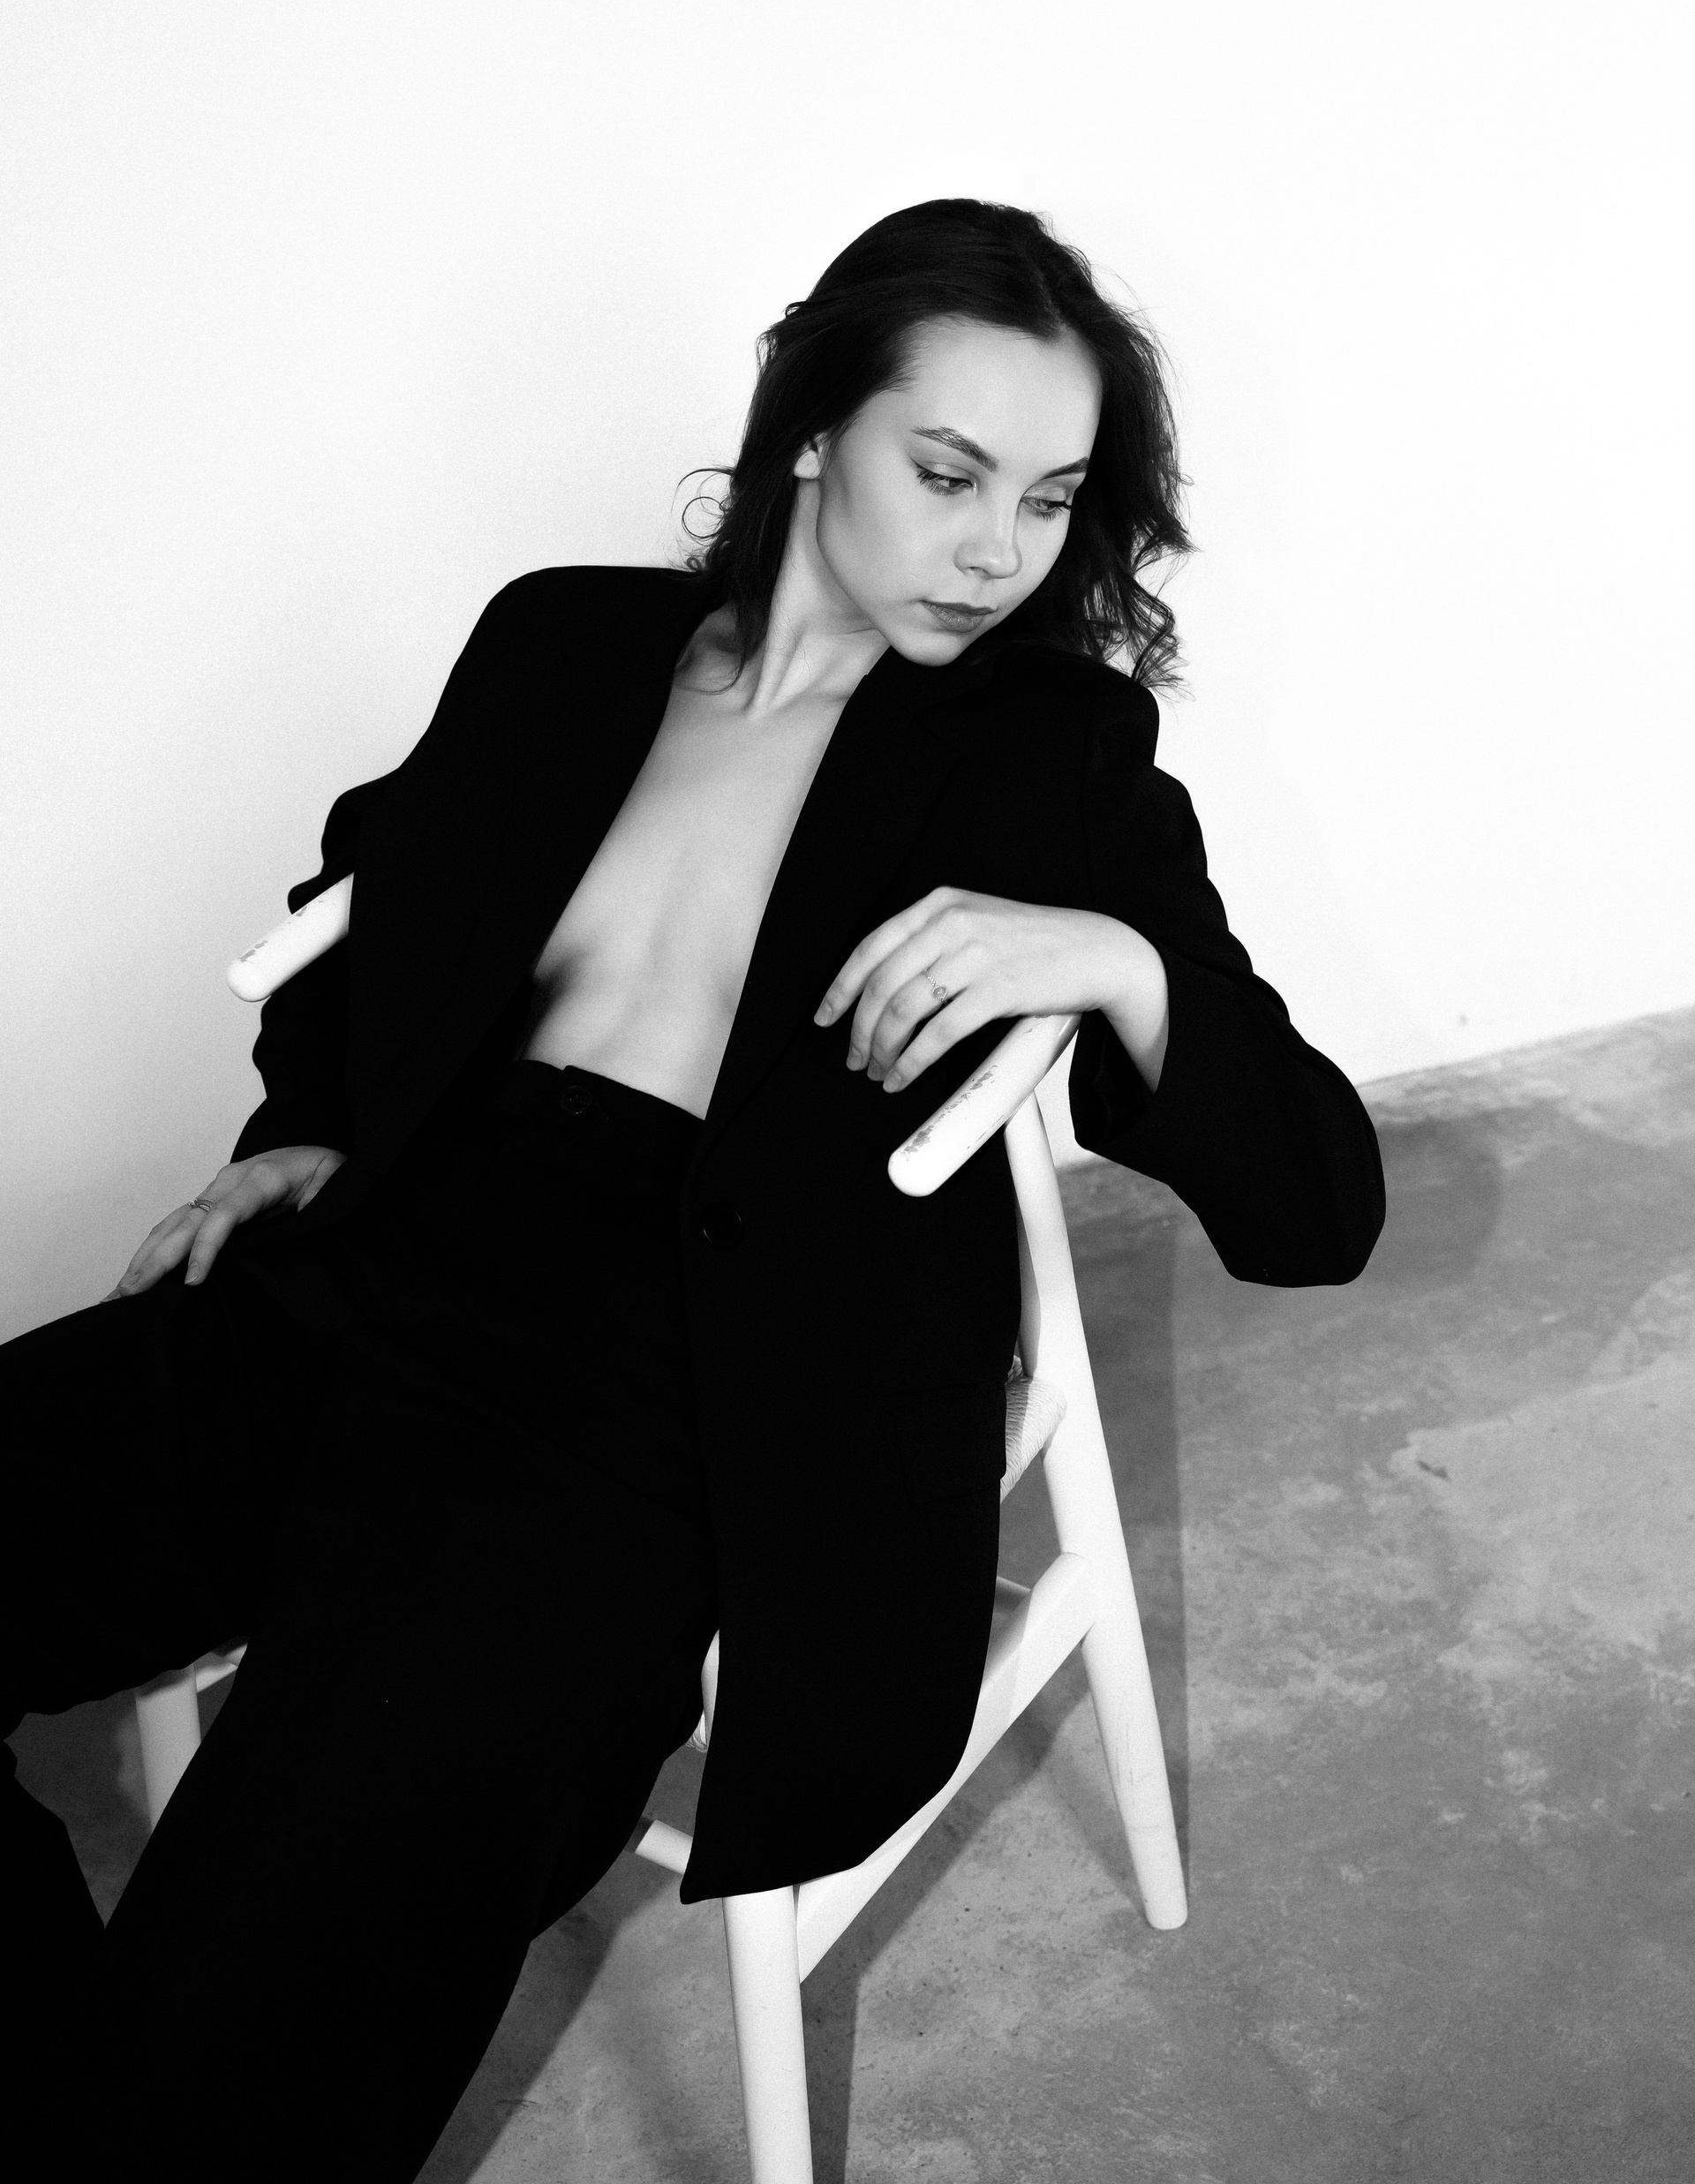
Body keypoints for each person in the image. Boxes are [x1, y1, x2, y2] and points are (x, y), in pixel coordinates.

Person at [0, 199, 1384, 2176]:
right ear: (813, 429)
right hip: (376, 1272)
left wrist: (1123, 964)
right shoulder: (565, 642)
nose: (1000, 550)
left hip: (668, 1406)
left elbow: (1319, 1204)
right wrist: (304, 1125)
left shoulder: (1051, 759)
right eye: (949, 473)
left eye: (1051, 498)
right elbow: (382, 884)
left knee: (281, 1977)